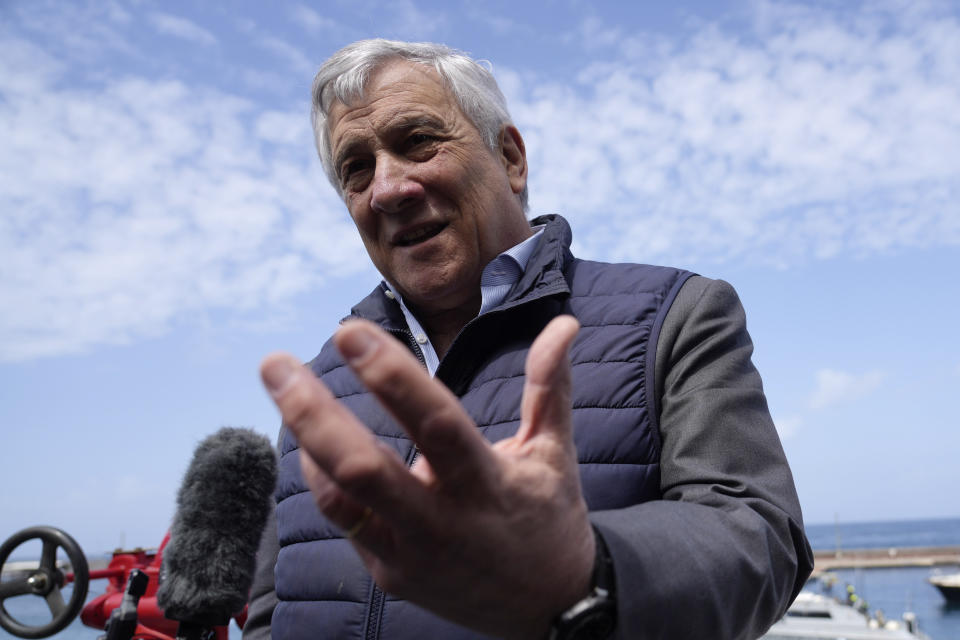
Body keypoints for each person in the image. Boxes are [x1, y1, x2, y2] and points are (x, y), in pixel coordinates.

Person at [245, 39, 813, 640]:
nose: (388, 188)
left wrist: (584, 573)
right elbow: (269, 615)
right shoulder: (318, 391)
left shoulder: (675, 317)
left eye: (417, 142)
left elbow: (763, 539)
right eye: (356, 169)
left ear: (511, 158)